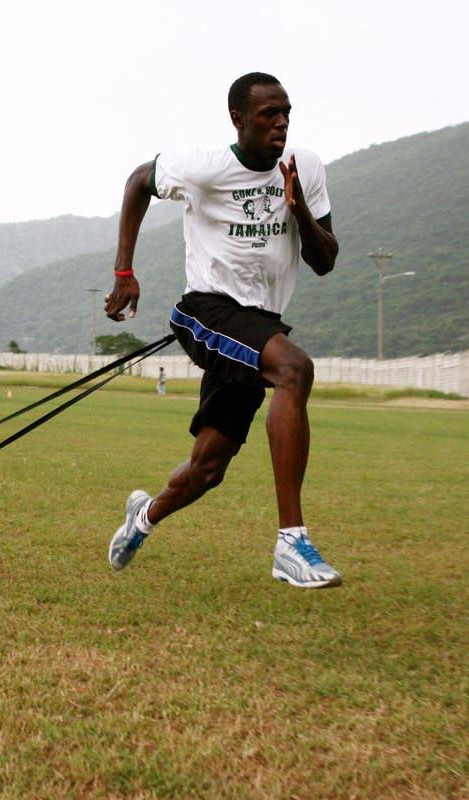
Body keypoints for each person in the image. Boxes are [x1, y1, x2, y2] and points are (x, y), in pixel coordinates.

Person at [103, 72, 342, 588]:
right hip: (207, 311)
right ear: (238, 120)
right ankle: (291, 544)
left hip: (259, 325)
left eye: (286, 113)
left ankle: (141, 518)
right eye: (268, 115)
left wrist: (299, 211)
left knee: (207, 469)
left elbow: (325, 260)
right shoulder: (203, 168)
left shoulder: (306, 168)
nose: (281, 122)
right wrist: (124, 271)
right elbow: (137, 181)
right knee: (295, 369)